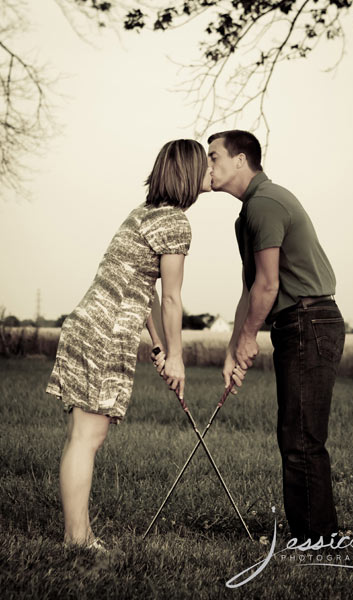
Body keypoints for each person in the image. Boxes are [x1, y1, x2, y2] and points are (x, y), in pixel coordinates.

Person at [46, 139, 212, 550]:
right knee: (88, 437)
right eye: (205, 165)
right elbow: (171, 298)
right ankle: (78, 540)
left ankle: (77, 535)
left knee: (81, 436)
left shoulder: (144, 214)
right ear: (188, 173)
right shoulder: (174, 222)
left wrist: (158, 344)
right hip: (104, 334)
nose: (211, 171)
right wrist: (177, 358)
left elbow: (146, 290)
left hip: (88, 326)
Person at [207, 130, 345, 544]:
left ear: (240, 161)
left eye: (213, 157)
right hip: (296, 322)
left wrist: (251, 338)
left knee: (301, 435)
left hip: (309, 320)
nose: (207, 166)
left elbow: (269, 286)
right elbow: (251, 289)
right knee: (294, 432)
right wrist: (234, 346)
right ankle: (314, 533)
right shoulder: (247, 213)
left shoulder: (264, 204)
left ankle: (317, 539)